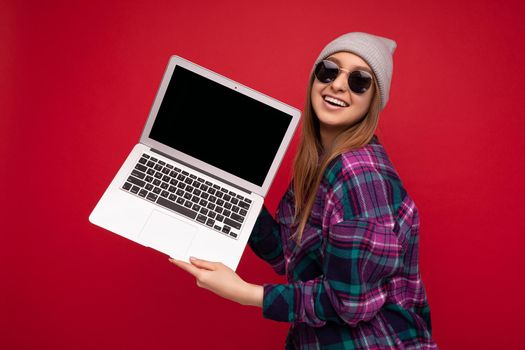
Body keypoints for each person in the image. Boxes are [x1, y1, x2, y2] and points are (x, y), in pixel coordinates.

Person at [171, 32, 437, 349]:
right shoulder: (319, 162)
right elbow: (288, 255)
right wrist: (234, 195)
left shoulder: (358, 173)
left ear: (372, 103)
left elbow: (347, 301)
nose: (338, 84)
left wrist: (246, 293)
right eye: (329, 70)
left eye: (359, 81)